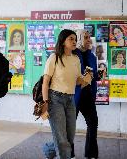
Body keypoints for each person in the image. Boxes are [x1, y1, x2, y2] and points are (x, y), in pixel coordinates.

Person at [42, 29, 92, 159]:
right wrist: (45, 103)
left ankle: (48, 149)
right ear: (63, 41)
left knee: (68, 139)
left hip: (70, 100)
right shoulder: (54, 57)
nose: (74, 41)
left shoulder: (76, 59)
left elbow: (77, 81)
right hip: (55, 99)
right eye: (71, 39)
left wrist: (87, 79)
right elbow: (45, 82)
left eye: (75, 39)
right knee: (62, 140)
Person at [74, 29, 99, 159]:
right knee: (70, 126)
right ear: (79, 39)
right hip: (74, 95)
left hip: (88, 95)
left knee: (93, 122)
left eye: (89, 37)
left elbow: (92, 76)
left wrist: (97, 76)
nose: (89, 40)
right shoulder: (72, 55)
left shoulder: (92, 56)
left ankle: (91, 154)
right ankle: (69, 154)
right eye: (86, 37)